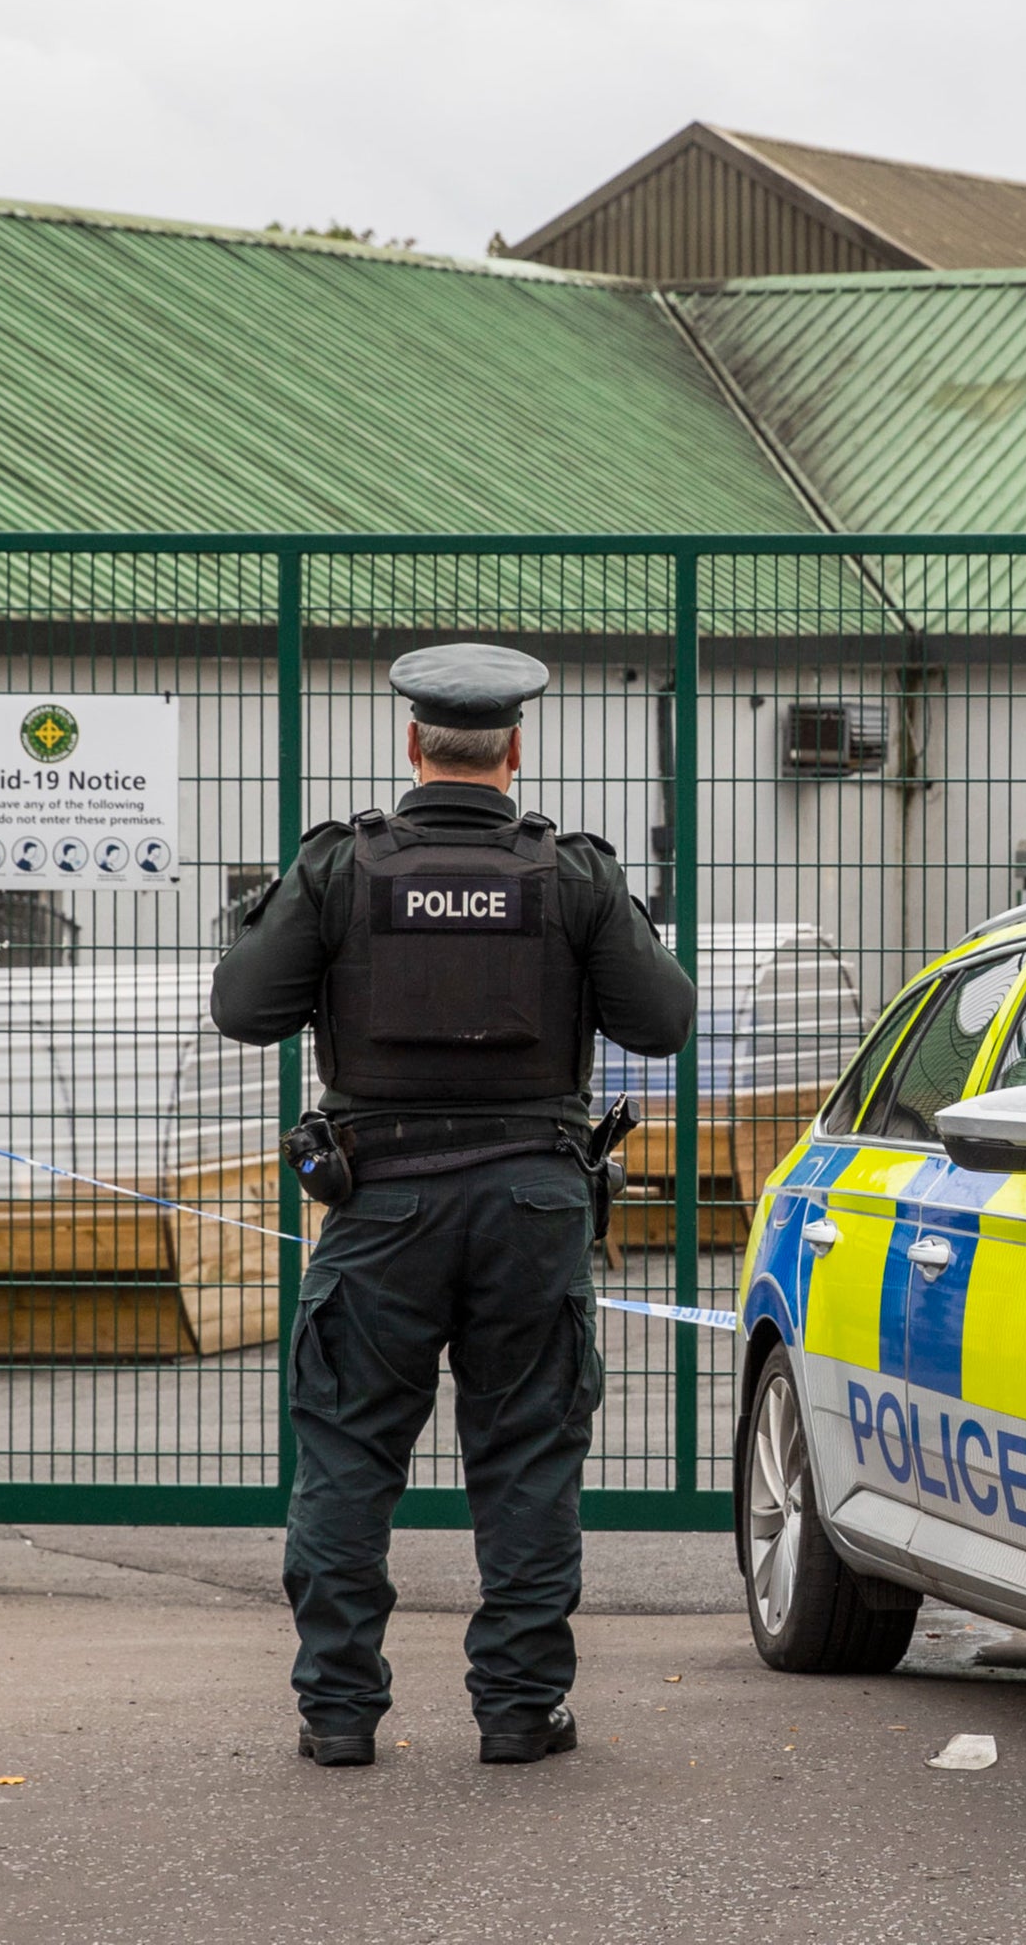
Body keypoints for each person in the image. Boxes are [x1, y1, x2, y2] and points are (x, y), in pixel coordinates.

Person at [212, 643, 695, 1769]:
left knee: (347, 1456)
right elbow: (662, 1021)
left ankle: (337, 1711)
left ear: (412, 745)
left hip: (379, 1201)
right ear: (515, 752)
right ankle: (519, 1711)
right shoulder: (569, 874)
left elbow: (245, 1009)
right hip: (532, 1200)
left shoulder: (343, 866)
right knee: (526, 1455)